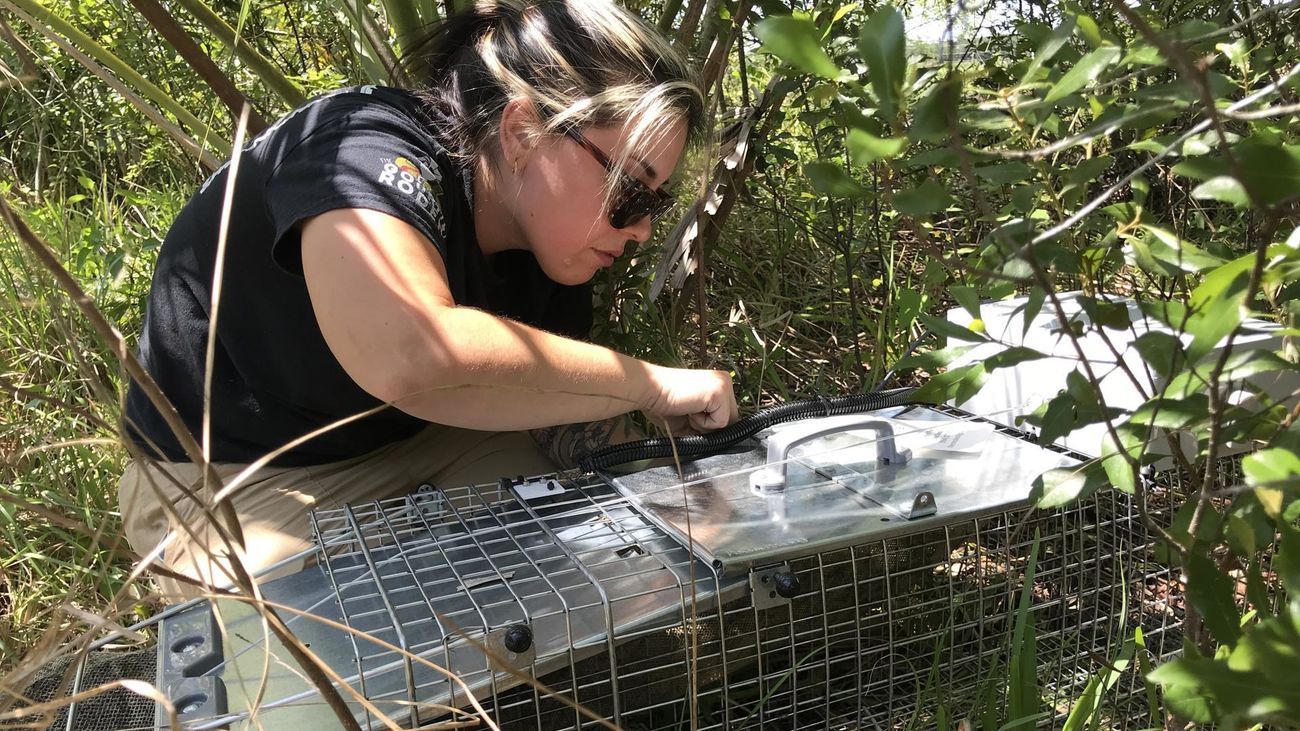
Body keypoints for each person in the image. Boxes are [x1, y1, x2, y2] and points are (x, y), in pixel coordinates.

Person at [117, 0, 738, 599]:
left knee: (609, 563)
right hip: (231, 477)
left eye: (655, 206)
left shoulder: (552, 242)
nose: (641, 229)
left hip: (427, 438)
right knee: (349, 664)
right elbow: (410, 356)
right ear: (522, 131)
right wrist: (649, 386)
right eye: (631, 189)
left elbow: (550, 404)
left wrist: (671, 479)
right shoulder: (360, 147)